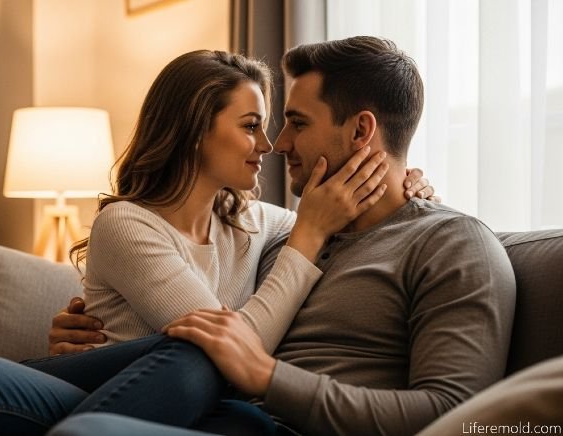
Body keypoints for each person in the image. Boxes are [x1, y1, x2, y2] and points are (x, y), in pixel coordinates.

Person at [0, 49, 435, 436]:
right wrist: (310, 232)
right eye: (251, 126)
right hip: (116, 388)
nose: (269, 145)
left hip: (203, 410)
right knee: (201, 346)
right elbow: (231, 350)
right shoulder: (127, 223)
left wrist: (413, 186)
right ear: (195, 130)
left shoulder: (257, 222)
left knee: (213, 368)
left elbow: (354, 214)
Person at [47, 36, 517, 435]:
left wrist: (267, 377)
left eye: (298, 123)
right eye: (260, 126)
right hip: (214, 411)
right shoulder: (293, 238)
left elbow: (460, 417)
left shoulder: (453, 243)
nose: (278, 144)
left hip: (257, 421)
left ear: (361, 130)